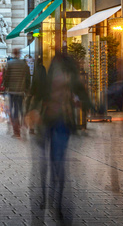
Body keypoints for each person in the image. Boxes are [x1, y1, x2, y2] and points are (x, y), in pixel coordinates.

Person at [27, 52, 91, 221]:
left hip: (60, 123)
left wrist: (89, 104)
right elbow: (37, 95)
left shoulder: (69, 79)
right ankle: (49, 197)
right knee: (50, 163)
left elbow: (83, 96)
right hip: (47, 122)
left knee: (56, 163)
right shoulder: (49, 78)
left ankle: (55, 200)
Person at [2, 48, 31, 138]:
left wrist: (5, 87)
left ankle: (16, 131)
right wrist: (27, 89)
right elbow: (28, 78)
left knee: (13, 110)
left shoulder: (9, 64)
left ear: (13, 53)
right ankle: (24, 125)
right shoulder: (24, 64)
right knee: (21, 108)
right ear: (19, 54)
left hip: (12, 91)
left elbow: (6, 77)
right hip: (21, 91)